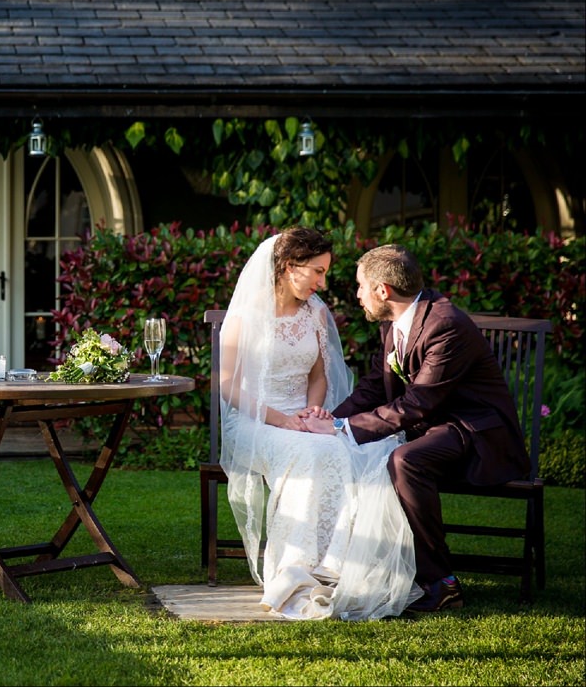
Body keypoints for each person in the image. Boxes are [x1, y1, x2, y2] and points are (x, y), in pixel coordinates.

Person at [303, 243, 529, 612]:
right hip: (436, 428)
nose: (357, 294)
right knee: (368, 451)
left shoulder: (445, 325)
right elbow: (375, 386)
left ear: (383, 291)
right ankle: (354, 564)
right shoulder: (396, 323)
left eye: (361, 286)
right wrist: (330, 420)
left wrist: (343, 428)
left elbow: (417, 404)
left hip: (476, 432)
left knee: (404, 460)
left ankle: (442, 583)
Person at [219, 228, 421, 620]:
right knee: (309, 452)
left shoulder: (315, 312)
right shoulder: (245, 314)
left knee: (348, 447)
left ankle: (339, 568)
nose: (322, 282)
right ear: (288, 267)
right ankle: (296, 571)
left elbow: (318, 377)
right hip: (253, 420)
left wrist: (312, 412)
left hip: (300, 418)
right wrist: (281, 420)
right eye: (317, 271)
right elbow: (226, 384)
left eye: (324, 273)